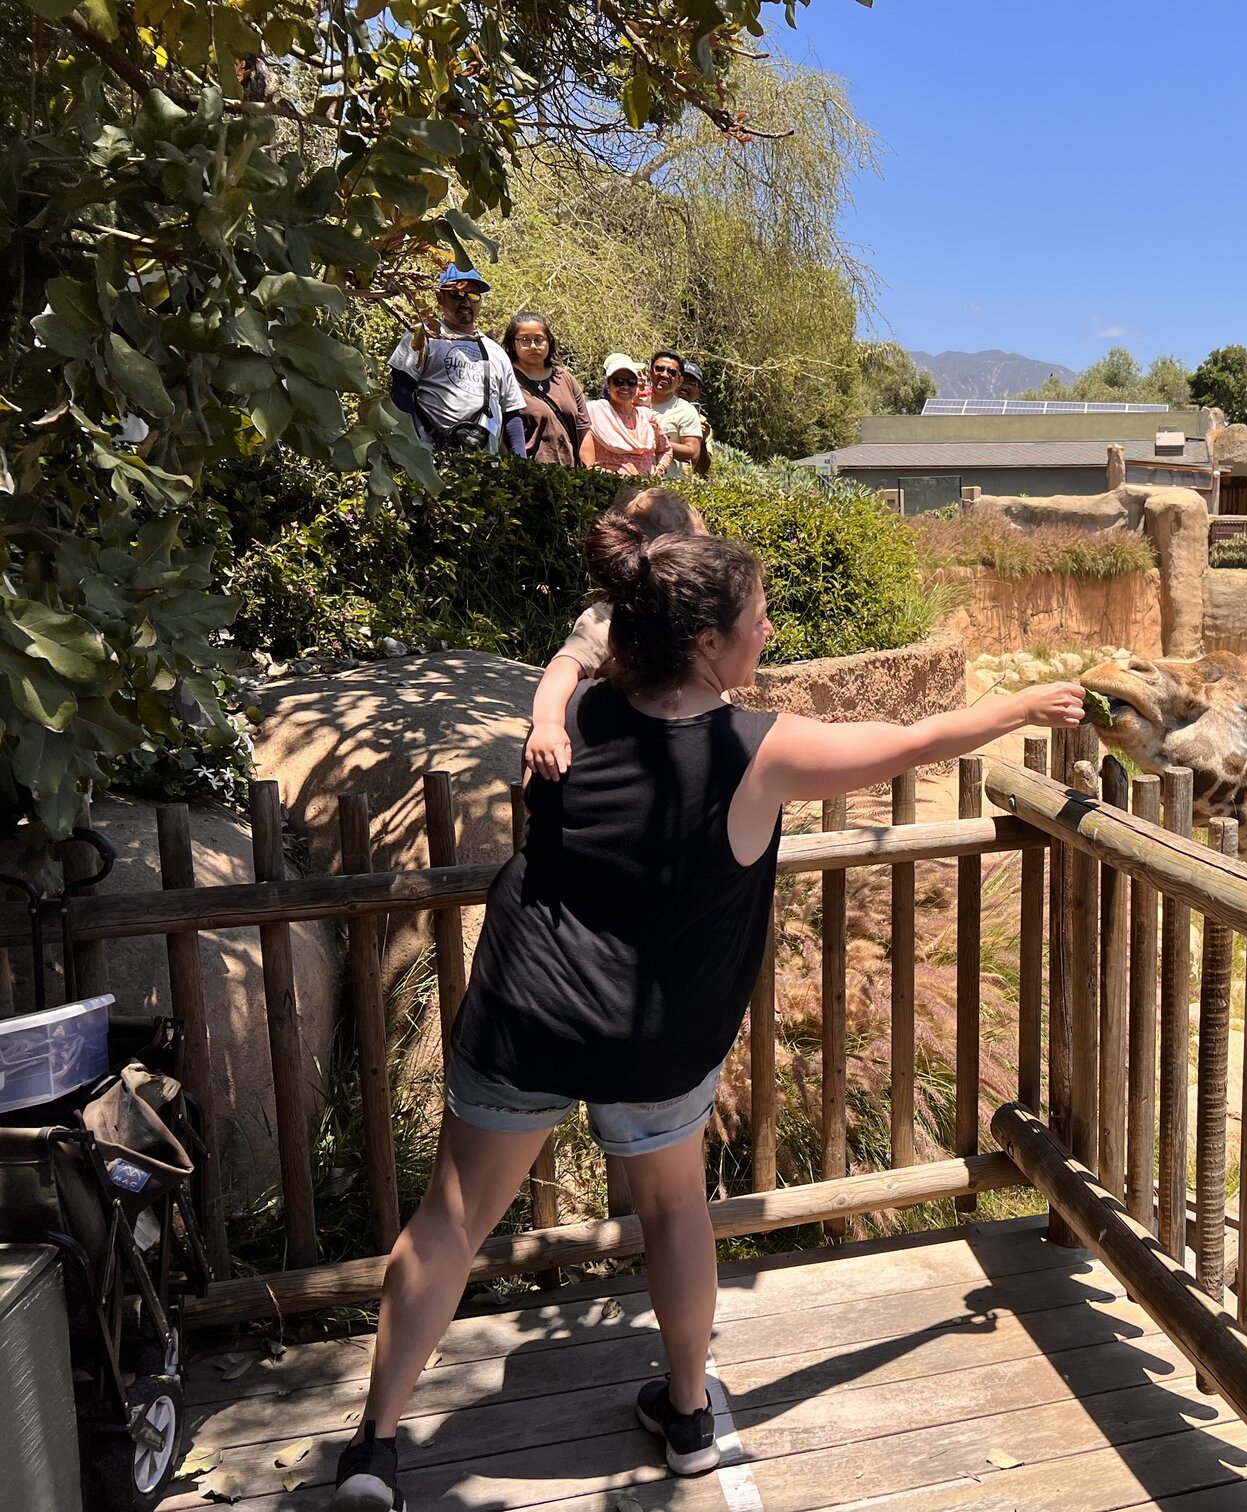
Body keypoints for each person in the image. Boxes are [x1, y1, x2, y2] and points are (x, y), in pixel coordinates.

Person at [329, 525, 1085, 1511]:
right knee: (677, 1211)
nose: (768, 628)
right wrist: (1026, 704)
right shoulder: (754, 750)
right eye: (755, 617)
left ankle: (375, 1454)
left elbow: (572, 657)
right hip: (657, 1032)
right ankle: (689, 1418)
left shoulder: (580, 714)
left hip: (530, 1009)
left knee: (455, 1221)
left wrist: (557, 688)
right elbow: (907, 744)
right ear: (706, 643)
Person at [523, 486, 705, 780]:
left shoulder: (690, 616)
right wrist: (548, 724)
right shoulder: (611, 618)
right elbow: (563, 667)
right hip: (606, 743)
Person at [389, 267, 527, 455]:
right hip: (433, 458)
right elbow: (400, 392)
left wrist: (521, 463)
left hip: (485, 467)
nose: (465, 302)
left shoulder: (496, 352)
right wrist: (413, 445)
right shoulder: (424, 336)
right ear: (440, 297)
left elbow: (511, 414)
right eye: (457, 294)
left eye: (473, 296)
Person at [502, 312, 592, 466]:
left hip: (571, 479)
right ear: (512, 343)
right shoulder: (506, 379)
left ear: (549, 342)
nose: (533, 346)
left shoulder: (565, 378)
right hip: (530, 477)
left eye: (539, 339)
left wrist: (589, 473)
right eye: (524, 340)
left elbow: (583, 430)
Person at [581, 354, 672, 476]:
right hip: (609, 488)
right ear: (608, 386)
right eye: (618, 382)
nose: (625, 387)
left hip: (645, 489)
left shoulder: (647, 417)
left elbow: (665, 449)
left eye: (631, 382)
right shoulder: (594, 411)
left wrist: (660, 469)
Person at [646, 349, 707, 475]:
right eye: (659, 369)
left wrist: (655, 442)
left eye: (672, 372)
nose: (664, 374)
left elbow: (693, 453)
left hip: (664, 488)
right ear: (649, 373)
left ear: (679, 380)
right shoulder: (633, 401)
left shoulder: (686, 411)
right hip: (629, 482)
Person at [676, 358, 714, 477]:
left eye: (691, 383)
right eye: (682, 380)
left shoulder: (701, 423)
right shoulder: (654, 412)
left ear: (698, 392)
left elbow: (702, 470)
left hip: (681, 487)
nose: (685, 386)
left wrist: (701, 444)